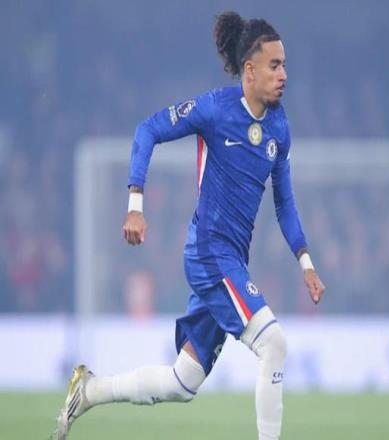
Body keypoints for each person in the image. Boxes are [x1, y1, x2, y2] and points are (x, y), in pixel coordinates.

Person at [53, 10, 325, 440]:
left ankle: (89, 390)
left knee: (182, 382)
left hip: (230, 259)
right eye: (274, 65)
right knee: (274, 344)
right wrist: (135, 202)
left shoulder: (279, 126)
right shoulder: (215, 109)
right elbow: (148, 130)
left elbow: (285, 203)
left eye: (285, 65)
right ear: (250, 71)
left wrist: (305, 262)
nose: (284, 75)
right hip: (209, 253)